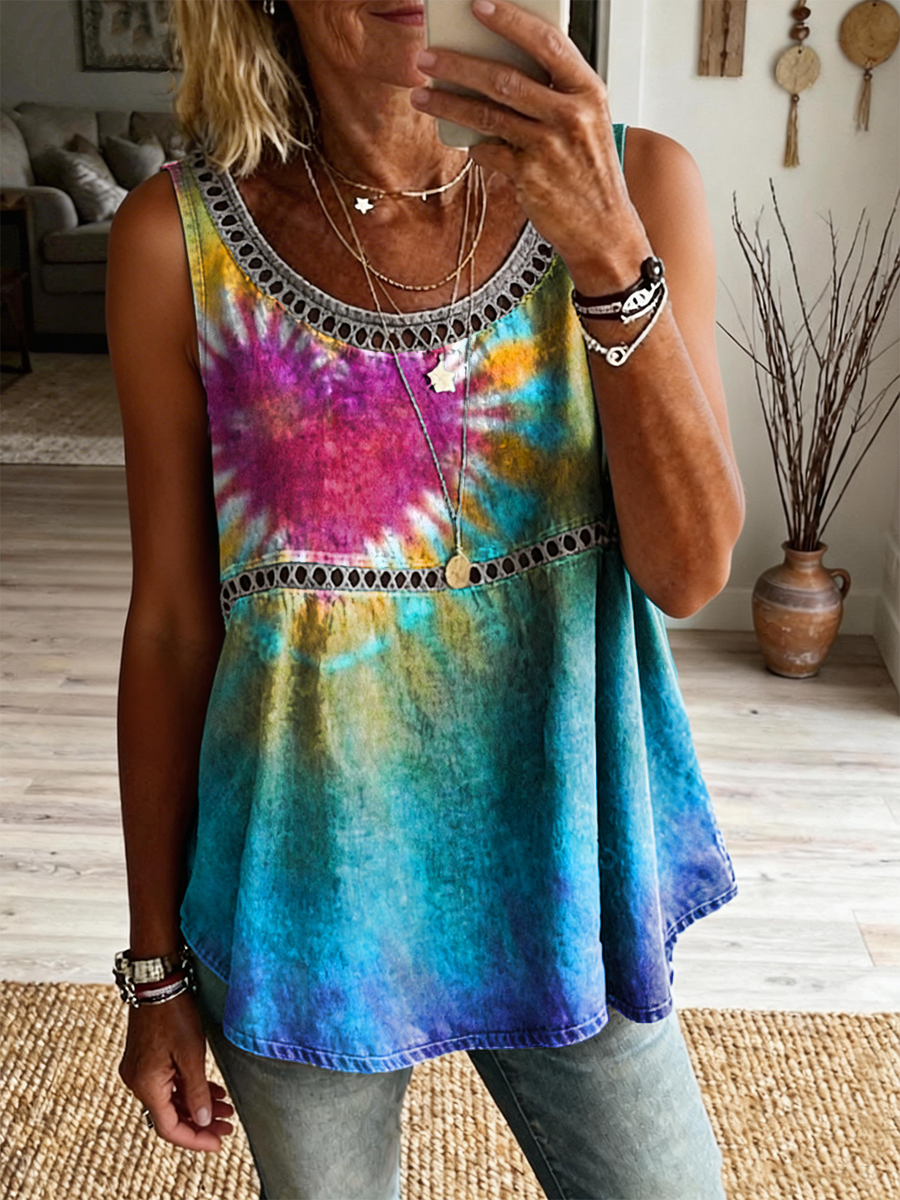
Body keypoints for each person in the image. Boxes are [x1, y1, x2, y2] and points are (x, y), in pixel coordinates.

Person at [107, 0, 745, 1197]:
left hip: (565, 867)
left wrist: (609, 255)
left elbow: (692, 570)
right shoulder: (174, 241)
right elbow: (176, 629)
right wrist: (155, 970)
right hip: (304, 895)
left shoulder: (639, 184)